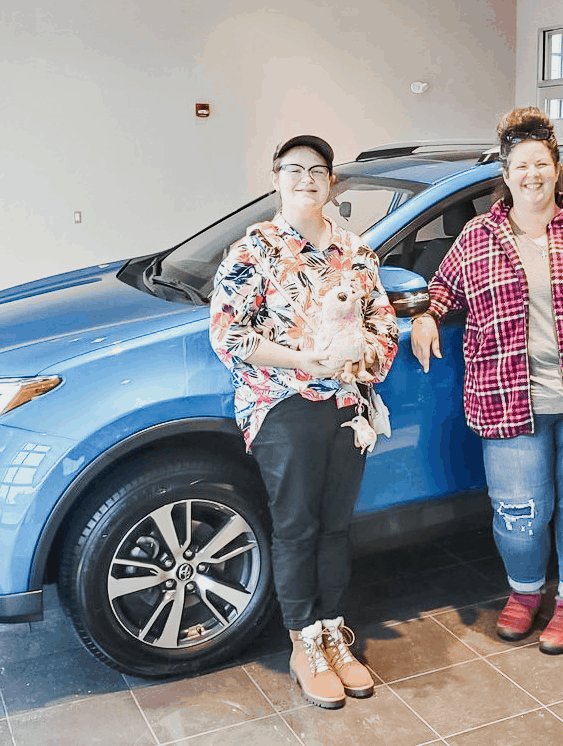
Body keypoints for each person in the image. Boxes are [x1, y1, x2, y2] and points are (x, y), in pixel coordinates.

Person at [411, 108, 563, 654]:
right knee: (519, 511)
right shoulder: (478, 236)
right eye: (520, 165)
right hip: (505, 397)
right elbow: (443, 288)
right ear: (506, 171)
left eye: (541, 163)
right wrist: (427, 315)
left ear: (556, 168)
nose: (531, 174)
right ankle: (524, 593)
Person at [209, 135, 399, 709]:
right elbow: (228, 333)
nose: (307, 179)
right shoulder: (255, 250)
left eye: (318, 170)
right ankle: (303, 644)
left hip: (348, 405)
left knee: (336, 525)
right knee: (296, 526)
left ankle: (334, 634)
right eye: (295, 169)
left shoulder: (355, 250)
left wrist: (369, 355)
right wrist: (301, 361)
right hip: (282, 402)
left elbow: (382, 321)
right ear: (276, 178)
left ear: (332, 182)